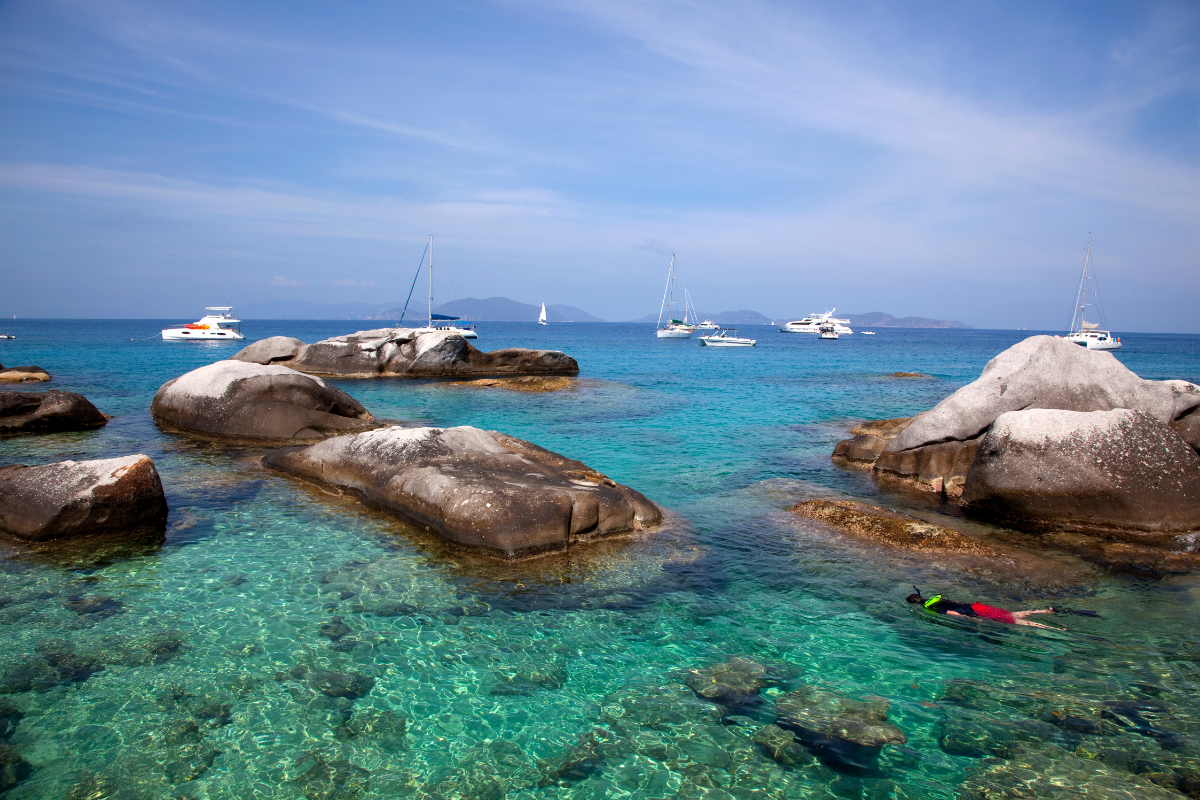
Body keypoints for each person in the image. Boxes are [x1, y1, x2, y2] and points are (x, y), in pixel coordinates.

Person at [906, 587, 1061, 630]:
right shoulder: (935, 598)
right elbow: (955, 602)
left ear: (915, 604)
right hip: (976, 605)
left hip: (974, 612)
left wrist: (972, 620)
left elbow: (952, 613)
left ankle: (1052, 628)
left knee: (1016, 621)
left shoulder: (929, 608)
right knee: (1011, 614)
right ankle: (1042, 611)